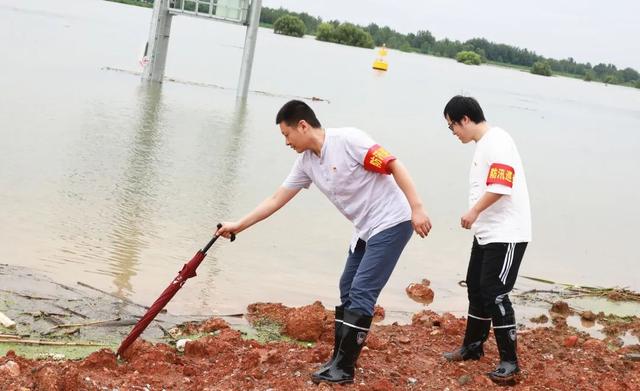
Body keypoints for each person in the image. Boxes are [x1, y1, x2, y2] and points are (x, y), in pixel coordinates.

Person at [216, 100, 432, 384]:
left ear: (302, 126)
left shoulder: (348, 141)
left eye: (286, 134)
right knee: (347, 286)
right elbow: (275, 199)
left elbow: (394, 165)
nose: (286, 142)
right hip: (365, 228)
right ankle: (338, 359)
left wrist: (417, 208)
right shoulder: (306, 163)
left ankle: (344, 369)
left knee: (362, 290)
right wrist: (238, 226)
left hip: (393, 220)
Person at [442, 95, 531, 384]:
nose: (453, 133)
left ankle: (510, 362)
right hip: (487, 232)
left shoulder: (498, 141)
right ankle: (473, 347)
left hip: (507, 233)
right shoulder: (484, 144)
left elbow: (501, 186)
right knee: (476, 289)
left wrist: (474, 211)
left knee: (495, 293)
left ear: (464, 119)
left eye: (452, 126)